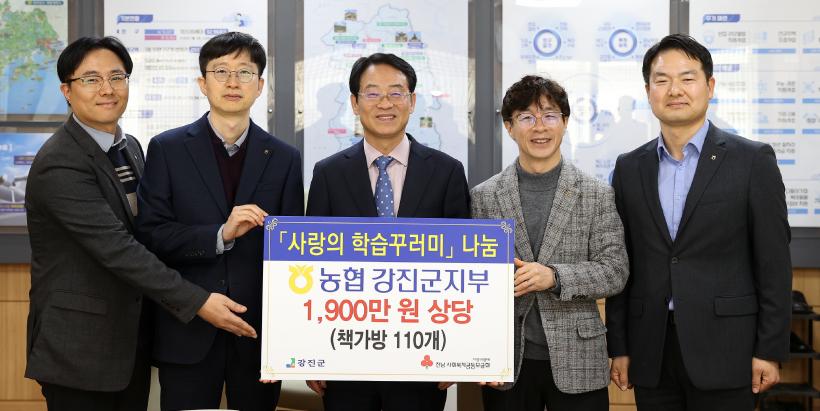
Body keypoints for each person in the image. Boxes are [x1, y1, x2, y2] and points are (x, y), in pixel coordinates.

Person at [24, 36, 256, 411]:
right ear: (67, 90)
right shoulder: (60, 161)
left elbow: (151, 231)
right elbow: (119, 250)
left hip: (128, 344)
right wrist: (198, 301)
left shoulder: (129, 146)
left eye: (117, 77)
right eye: (91, 79)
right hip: (79, 349)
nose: (107, 89)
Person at [606, 34, 792, 410]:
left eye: (687, 78)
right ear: (648, 91)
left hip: (729, 349)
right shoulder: (629, 168)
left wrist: (769, 350)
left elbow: (773, 264)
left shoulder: (752, 161)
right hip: (652, 350)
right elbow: (623, 263)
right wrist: (619, 346)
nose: (674, 90)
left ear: (710, 86)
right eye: (662, 80)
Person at [135, 32, 303, 411]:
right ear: (202, 83)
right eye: (221, 71)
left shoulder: (285, 157)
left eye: (244, 72)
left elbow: (292, 255)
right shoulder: (167, 149)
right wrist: (220, 234)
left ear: (260, 85)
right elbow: (151, 235)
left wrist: (289, 339)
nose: (232, 82)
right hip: (188, 327)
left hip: (258, 336)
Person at [305, 52, 470, 411]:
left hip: (423, 354)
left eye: (396, 93)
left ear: (412, 101)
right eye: (372, 93)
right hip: (345, 354)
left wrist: (456, 352)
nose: (385, 103)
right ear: (354, 103)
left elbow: (463, 268)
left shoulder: (447, 172)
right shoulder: (328, 174)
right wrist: (312, 352)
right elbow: (312, 267)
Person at [471, 75, 629, 410]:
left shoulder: (596, 194)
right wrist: (477, 351)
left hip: (579, 359)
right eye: (526, 117)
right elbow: (471, 283)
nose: (539, 127)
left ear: (565, 122)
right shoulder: (484, 197)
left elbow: (615, 271)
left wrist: (555, 277)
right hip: (505, 361)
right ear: (509, 127)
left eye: (550, 115)